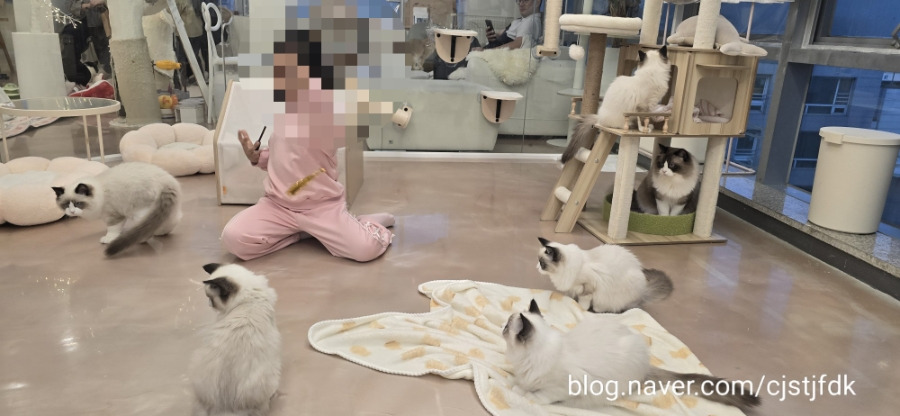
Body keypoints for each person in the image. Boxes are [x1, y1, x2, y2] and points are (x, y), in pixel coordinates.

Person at [220, 30, 395, 262]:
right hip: (278, 206)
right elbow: (282, 157)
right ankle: (299, 234)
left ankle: (366, 222)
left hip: (321, 208)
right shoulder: (282, 115)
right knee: (234, 238)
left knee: (364, 250)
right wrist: (256, 157)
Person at [66, 0, 111, 75]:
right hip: (87, 23)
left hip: (109, 17)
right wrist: (88, 5)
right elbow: (70, 6)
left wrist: (102, 1)